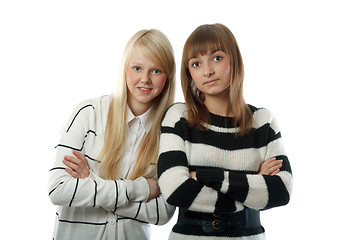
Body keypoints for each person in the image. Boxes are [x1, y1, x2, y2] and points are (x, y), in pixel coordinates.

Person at [157, 23, 293, 240]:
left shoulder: (263, 121)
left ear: (234, 59)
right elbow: (175, 189)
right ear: (189, 72)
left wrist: (203, 176)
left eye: (217, 58)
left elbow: (281, 191)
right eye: (196, 63)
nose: (208, 70)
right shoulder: (179, 117)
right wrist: (252, 184)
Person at [48, 29, 176, 240]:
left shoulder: (169, 133)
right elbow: (58, 189)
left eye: (156, 71)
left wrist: (91, 183)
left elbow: (162, 212)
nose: (145, 79)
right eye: (137, 68)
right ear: (125, 69)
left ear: (168, 76)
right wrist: (139, 189)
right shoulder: (88, 113)